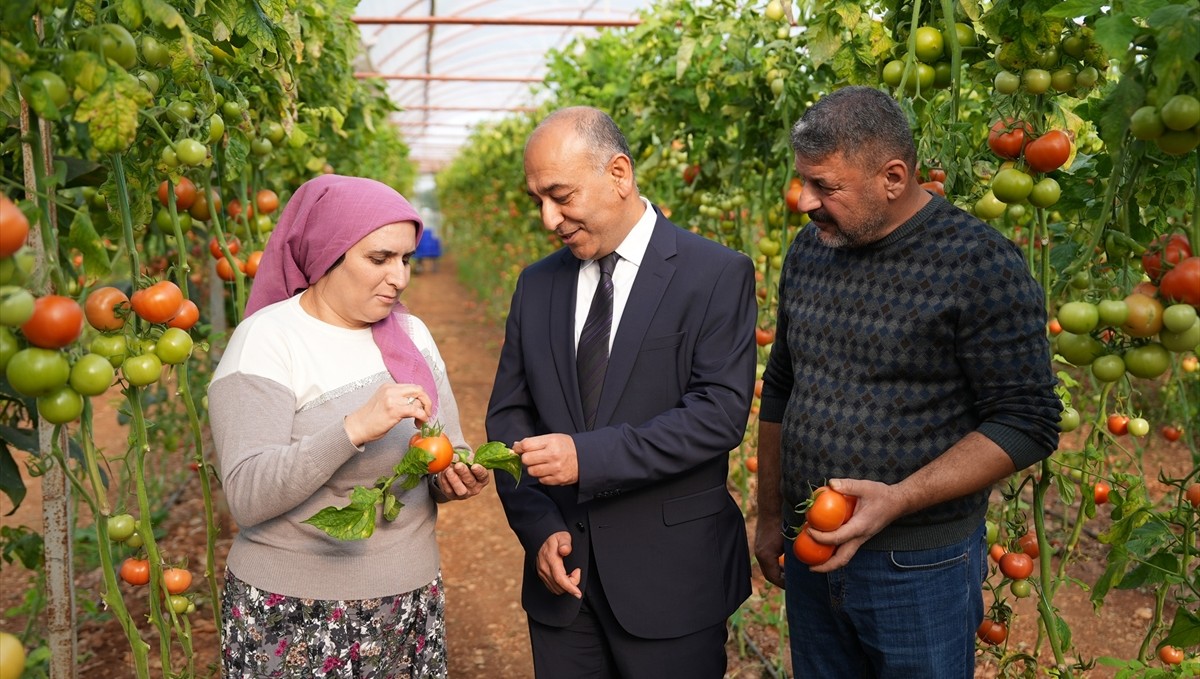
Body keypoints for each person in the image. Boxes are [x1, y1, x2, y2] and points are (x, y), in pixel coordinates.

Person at [754, 86, 1062, 677]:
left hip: (917, 568)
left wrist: (898, 499)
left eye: (825, 186)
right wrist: (771, 517)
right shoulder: (808, 252)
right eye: (803, 181)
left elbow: (1027, 421)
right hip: (811, 549)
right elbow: (783, 383)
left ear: (893, 177)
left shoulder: (979, 264)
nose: (804, 202)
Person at [485, 106, 756, 677]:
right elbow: (510, 416)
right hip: (563, 585)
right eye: (538, 199)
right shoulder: (537, 284)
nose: (547, 218)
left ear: (619, 174)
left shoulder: (714, 274)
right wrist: (537, 526)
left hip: (672, 582)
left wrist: (588, 457)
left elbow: (718, 414)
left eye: (560, 195)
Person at [208, 174, 490, 678]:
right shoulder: (268, 340)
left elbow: (448, 444)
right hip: (289, 610)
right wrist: (353, 428)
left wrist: (454, 476)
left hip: (406, 602)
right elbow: (247, 496)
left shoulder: (411, 334)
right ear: (327, 252)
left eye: (405, 258)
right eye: (379, 258)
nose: (400, 277)